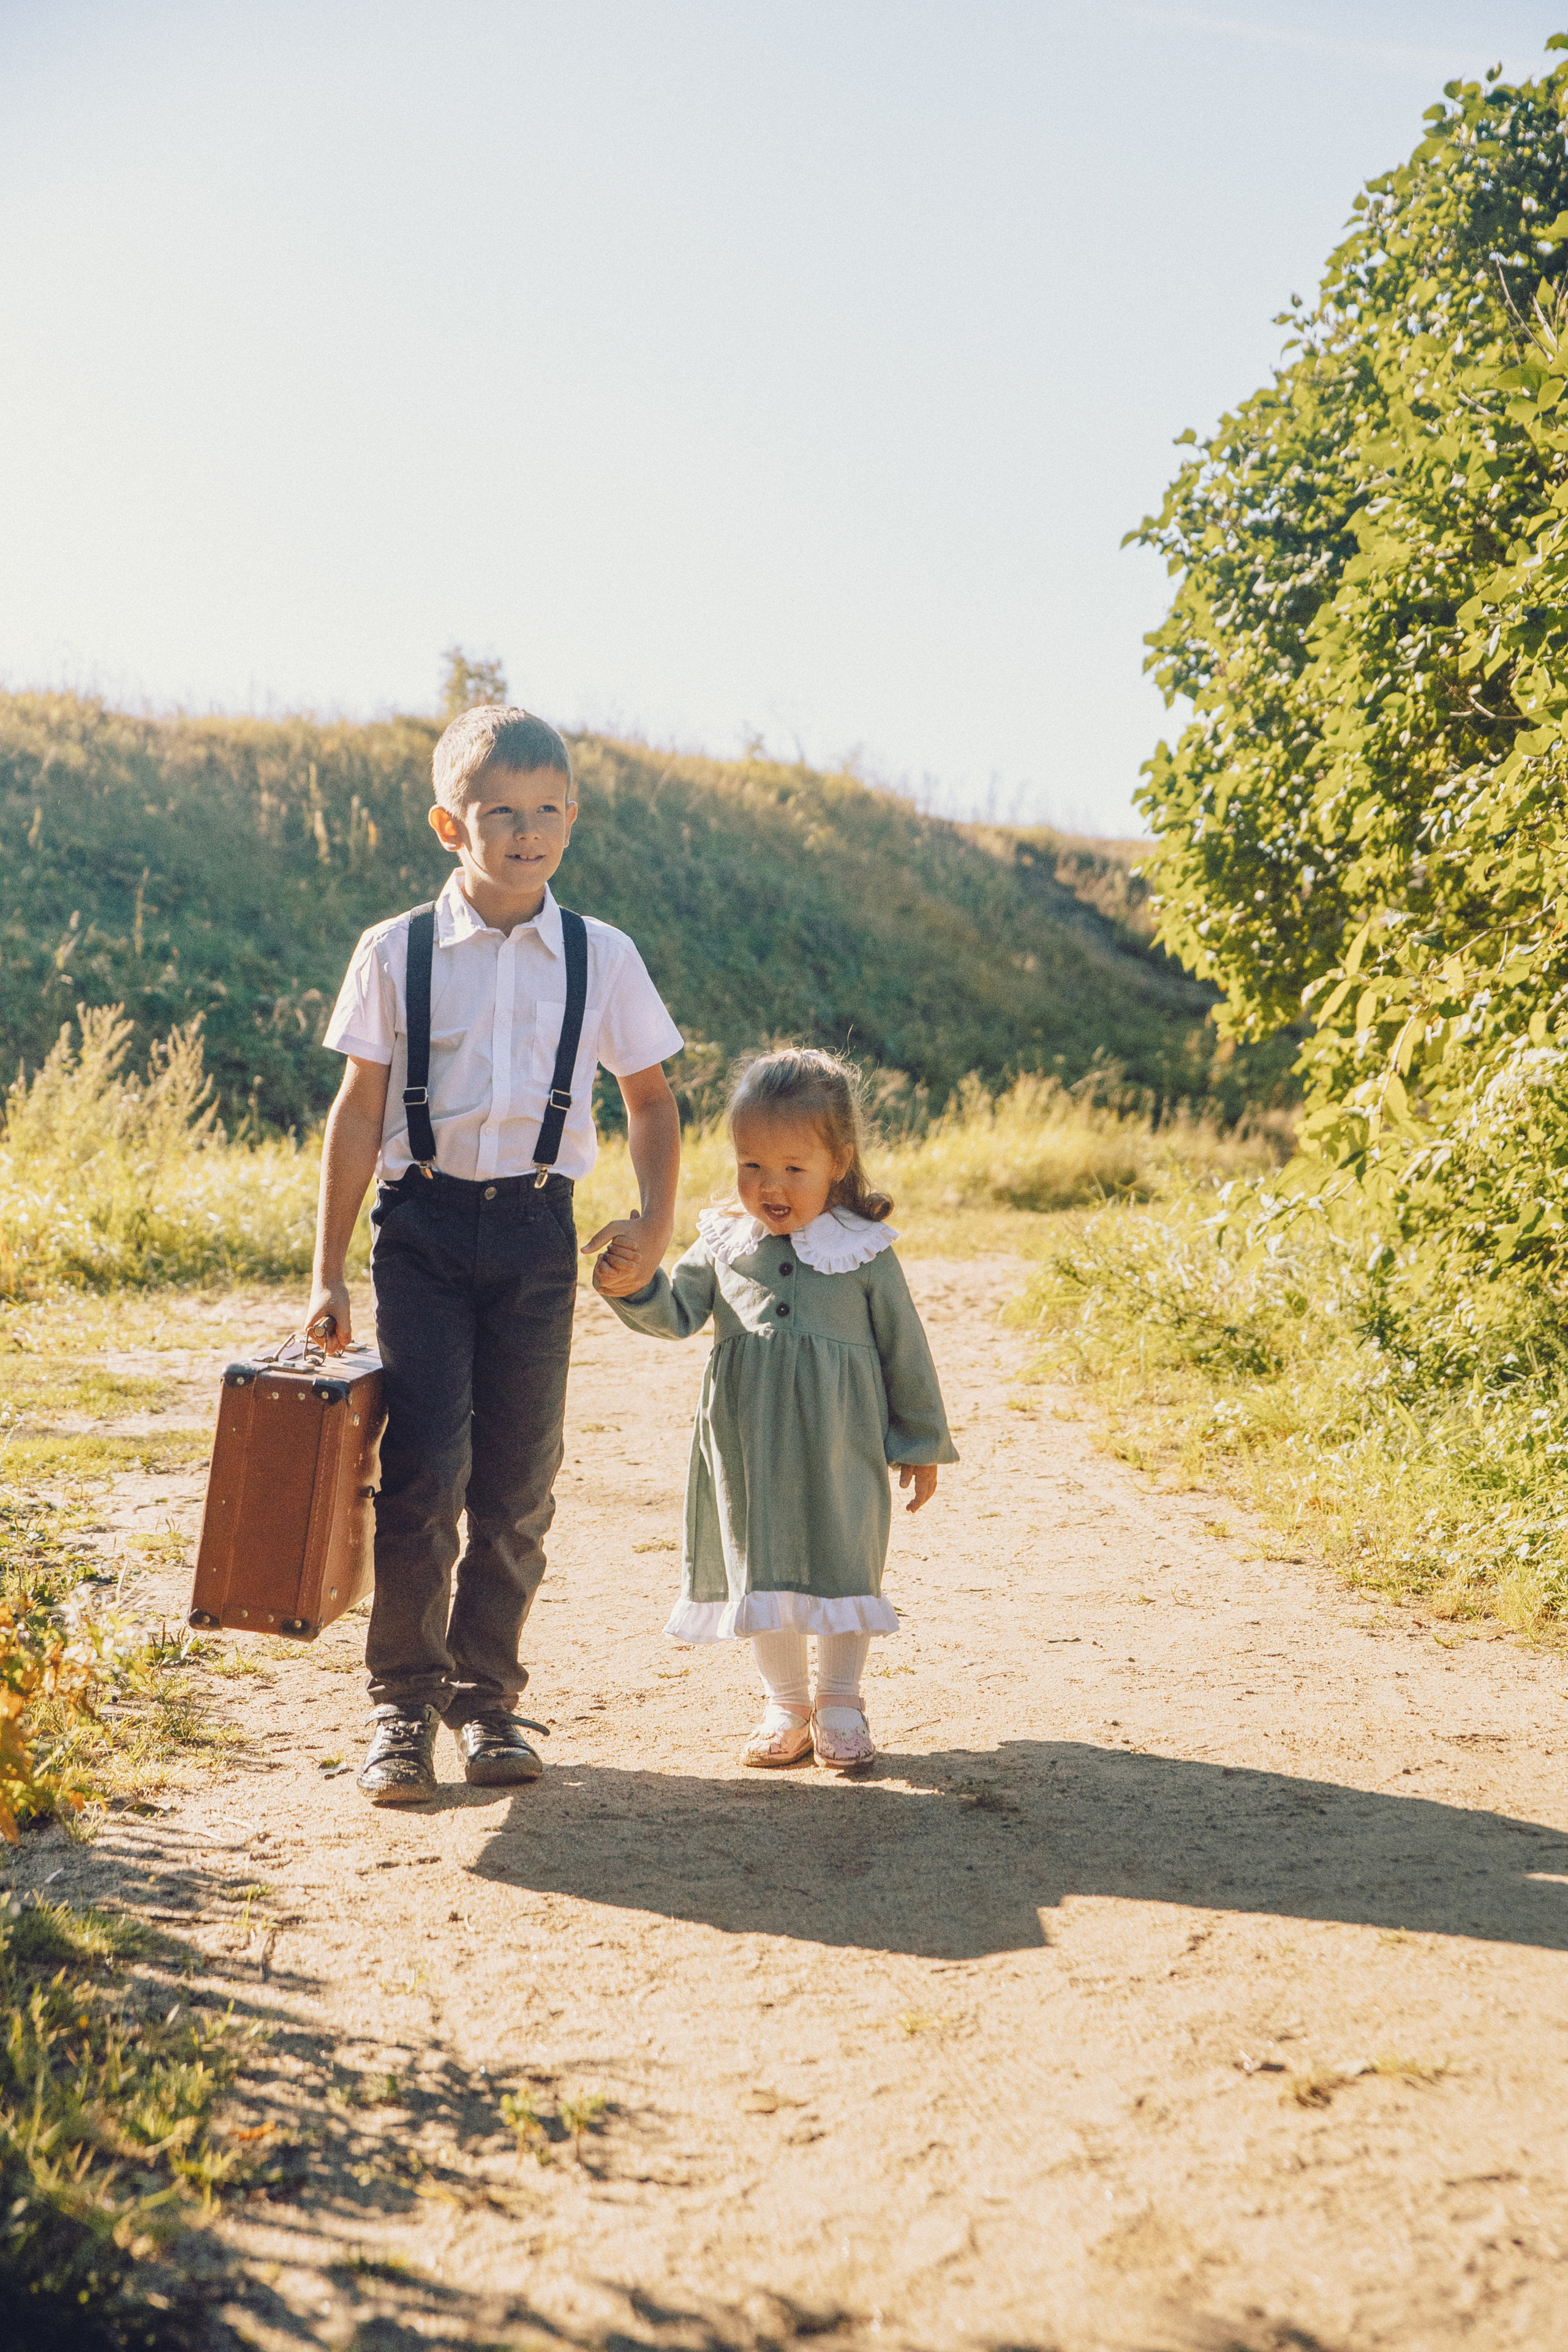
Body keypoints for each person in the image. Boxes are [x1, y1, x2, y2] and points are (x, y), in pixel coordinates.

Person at [308, 706, 683, 1804]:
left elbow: (651, 1098)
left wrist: (654, 1219)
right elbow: (356, 1107)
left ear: (575, 817)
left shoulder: (600, 955)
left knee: (518, 1485)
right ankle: (401, 1707)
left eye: (548, 812)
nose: (527, 833)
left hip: (535, 1231)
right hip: (419, 1229)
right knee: (425, 1475)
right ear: (448, 824)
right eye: (501, 813)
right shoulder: (396, 950)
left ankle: (488, 1700)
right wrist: (327, 1270)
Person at [594, 1046, 956, 1771]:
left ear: (839, 1162)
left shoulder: (863, 1253)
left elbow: (904, 1351)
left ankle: (841, 1700)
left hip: (840, 1442)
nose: (770, 1185)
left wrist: (917, 1441)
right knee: (762, 1564)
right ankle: (785, 1703)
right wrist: (632, 1284)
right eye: (751, 1164)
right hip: (746, 1442)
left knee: (843, 1558)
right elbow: (676, 1311)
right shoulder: (724, 1242)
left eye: (795, 1168)